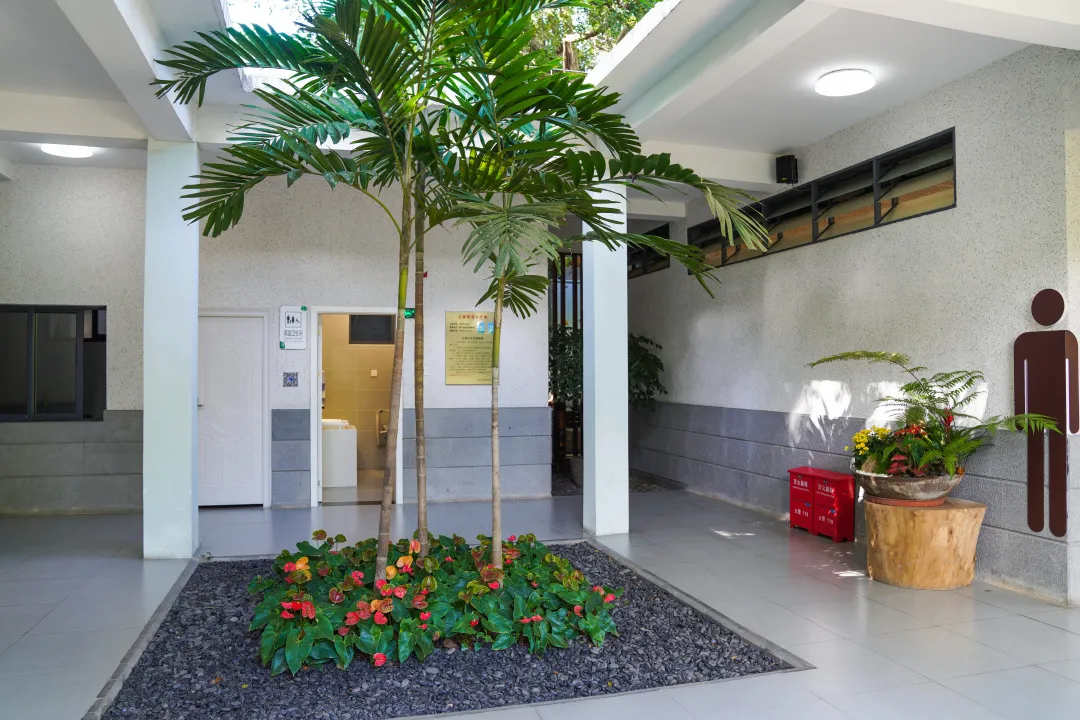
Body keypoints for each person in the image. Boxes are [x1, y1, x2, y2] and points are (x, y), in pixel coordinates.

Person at [1014, 289, 1078, 537]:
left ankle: (1049, 521)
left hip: (1040, 412)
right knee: (1043, 462)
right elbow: (1021, 379)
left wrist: (1020, 417)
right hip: (1048, 412)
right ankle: (1040, 520)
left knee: (1044, 461)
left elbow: (1072, 378)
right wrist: (1074, 419)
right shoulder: (1033, 340)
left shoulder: (1028, 341)